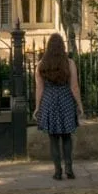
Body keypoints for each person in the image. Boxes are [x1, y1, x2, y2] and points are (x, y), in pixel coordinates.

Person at [34, 33, 84, 180]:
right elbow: (74, 86)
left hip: (49, 100)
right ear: (62, 47)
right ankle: (69, 168)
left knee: (53, 138)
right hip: (65, 100)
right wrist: (79, 104)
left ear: (48, 47)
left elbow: (39, 88)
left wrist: (37, 107)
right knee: (67, 136)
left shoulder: (41, 64)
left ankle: (57, 171)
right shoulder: (69, 63)